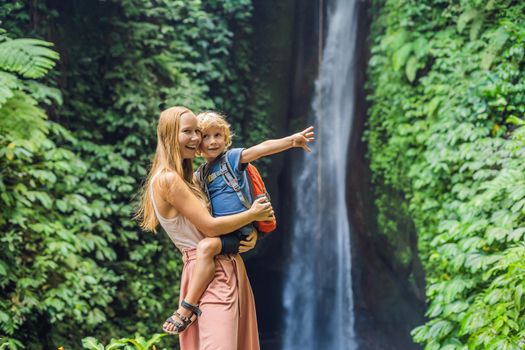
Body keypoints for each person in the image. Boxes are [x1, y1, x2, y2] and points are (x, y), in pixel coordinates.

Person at [136, 106, 274, 350]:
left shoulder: (195, 179)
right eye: (187, 132)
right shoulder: (168, 179)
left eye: (197, 132)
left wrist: (250, 233)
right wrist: (251, 214)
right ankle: (185, 309)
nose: (196, 138)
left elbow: (225, 217)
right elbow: (210, 228)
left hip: (227, 264)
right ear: (169, 135)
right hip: (210, 274)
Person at [168, 110, 314, 334]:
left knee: (206, 247)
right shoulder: (200, 174)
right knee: (207, 244)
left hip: (238, 229)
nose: (213, 141)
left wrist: (291, 141)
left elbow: (260, 149)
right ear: (197, 145)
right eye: (206, 137)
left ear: (226, 139)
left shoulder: (232, 159)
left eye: (218, 135)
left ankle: (187, 307)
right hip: (225, 229)